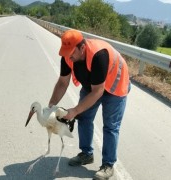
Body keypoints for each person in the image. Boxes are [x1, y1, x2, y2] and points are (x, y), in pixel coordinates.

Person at [48, 29, 130, 180]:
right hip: (93, 85)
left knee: (110, 126)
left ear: (82, 48)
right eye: (66, 53)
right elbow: (62, 83)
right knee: (84, 118)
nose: (68, 57)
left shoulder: (99, 55)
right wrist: (51, 106)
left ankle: (108, 165)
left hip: (115, 87)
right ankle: (86, 154)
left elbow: (98, 91)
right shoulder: (67, 57)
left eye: (71, 52)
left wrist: (75, 110)